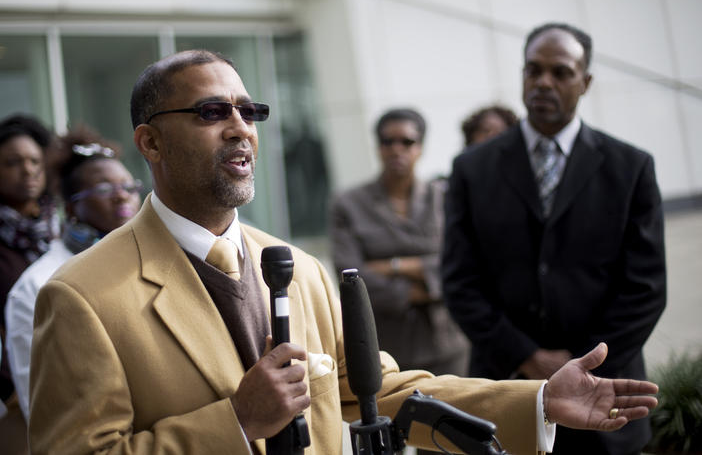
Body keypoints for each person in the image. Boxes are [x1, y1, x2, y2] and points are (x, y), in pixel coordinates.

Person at [29, 49, 658, 455]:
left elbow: (377, 391)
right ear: (151, 142)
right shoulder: (82, 297)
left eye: (249, 111)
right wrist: (236, 423)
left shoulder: (298, 268)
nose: (241, 126)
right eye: (211, 111)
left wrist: (539, 400)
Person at [442, 23, 666, 455]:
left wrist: (583, 361)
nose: (543, 82)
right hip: (505, 392)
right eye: (534, 70)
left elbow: (646, 289)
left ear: (586, 81)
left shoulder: (630, 167)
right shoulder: (472, 169)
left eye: (560, 72)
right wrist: (528, 355)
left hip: (605, 398)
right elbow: (459, 282)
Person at [5, 126, 142, 422]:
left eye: (129, 187)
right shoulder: (36, 286)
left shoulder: (154, 262)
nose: (122, 197)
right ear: (72, 208)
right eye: (104, 189)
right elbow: (42, 406)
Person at [330, 108, 469, 381]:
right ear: (378, 147)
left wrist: (392, 266)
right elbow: (349, 276)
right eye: (387, 141)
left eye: (407, 142)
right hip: (384, 349)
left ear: (421, 147)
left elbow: (461, 265)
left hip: (447, 345)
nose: (396, 150)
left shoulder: (445, 198)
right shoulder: (348, 203)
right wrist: (429, 285)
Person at [0, 114, 59, 454]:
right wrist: (9, 390)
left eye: (35, 160)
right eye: (13, 162)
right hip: (11, 397)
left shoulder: (59, 229)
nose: (28, 170)